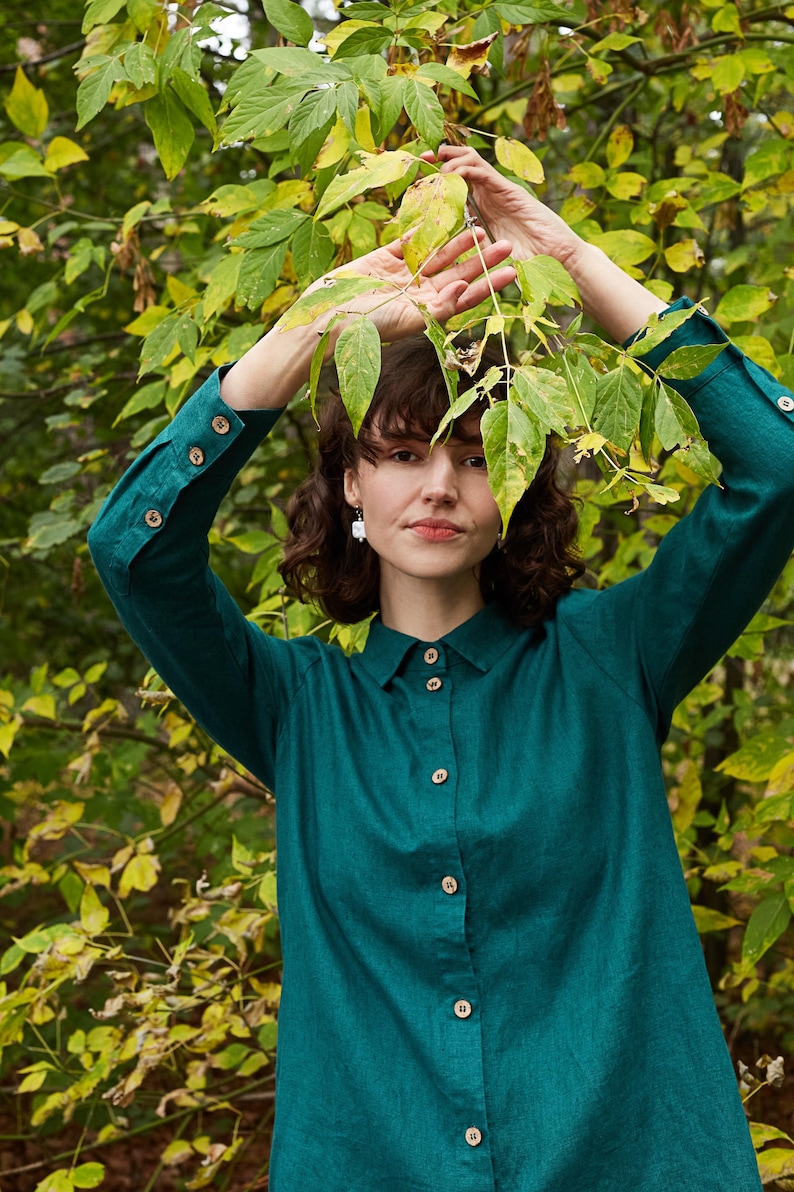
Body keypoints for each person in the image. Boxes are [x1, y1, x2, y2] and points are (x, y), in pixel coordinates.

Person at [88, 143, 794, 1191]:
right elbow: (133, 550)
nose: (437, 486)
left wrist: (566, 256)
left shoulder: (609, 657)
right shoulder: (295, 706)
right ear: (348, 490)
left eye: (472, 455)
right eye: (401, 452)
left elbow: (775, 468)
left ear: (511, 487)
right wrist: (308, 332)